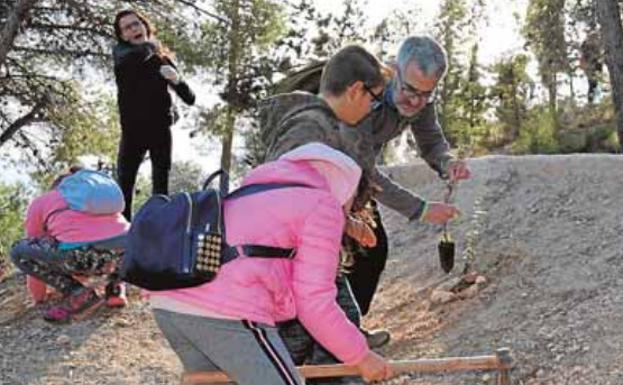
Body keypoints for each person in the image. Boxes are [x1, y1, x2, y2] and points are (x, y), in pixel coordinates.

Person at [149, 143, 394, 385]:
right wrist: (361, 356)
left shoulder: (254, 191)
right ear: (347, 187)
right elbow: (314, 301)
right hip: (228, 313)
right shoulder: (323, 205)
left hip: (171, 305)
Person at [11, 168, 130, 323]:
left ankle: (78, 292)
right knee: (116, 245)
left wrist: (39, 297)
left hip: (82, 256)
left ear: (56, 186)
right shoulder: (101, 197)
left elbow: (34, 242)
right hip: (128, 251)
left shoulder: (42, 201)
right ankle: (116, 288)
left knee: (18, 250)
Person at [113, 9, 196, 220]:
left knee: (160, 189)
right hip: (132, 132)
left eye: (136, 24)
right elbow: (138, 58)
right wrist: (151, 46)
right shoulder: (122, 57)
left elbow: (190, 98)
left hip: (159, 129)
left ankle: (159, 231)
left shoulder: (161, 59)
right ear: (122, 36)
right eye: (127, 28)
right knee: (124, 187)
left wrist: (177, 80)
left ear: (144, 25)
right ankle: (122, 238)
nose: (133, 29)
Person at [579, 29, 603, 104]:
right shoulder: (586, 46)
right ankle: (591, 102)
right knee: (592, 84)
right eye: (595, 37)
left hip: (596, 66)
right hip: (590, 67)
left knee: (596, 84)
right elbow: (585, 57)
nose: (596, 39)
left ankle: (595, 101)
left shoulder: (596, 46)